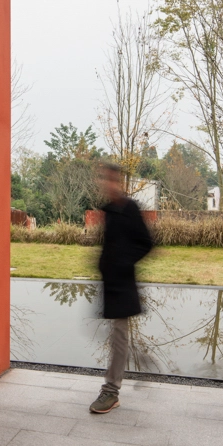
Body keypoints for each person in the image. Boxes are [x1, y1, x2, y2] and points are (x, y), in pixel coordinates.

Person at [89, 161, 153, 413]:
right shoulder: (109, 210)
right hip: (110, 282)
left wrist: (122, 263)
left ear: (120, 182)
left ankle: (111, 392)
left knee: (118, 335)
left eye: (112, 179)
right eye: (104, 179)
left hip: (123, 282)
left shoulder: (130, 209)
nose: (107, 184)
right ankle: (140, 359)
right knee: (117, 336)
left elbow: (146, 243)